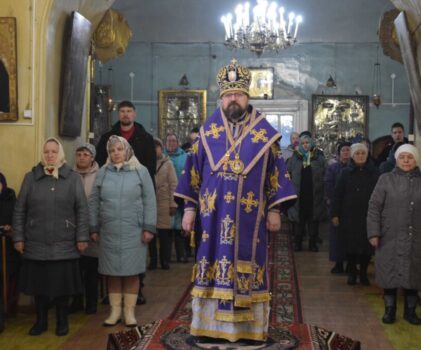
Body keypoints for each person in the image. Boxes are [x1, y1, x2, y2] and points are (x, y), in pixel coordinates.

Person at [174, 59, 296, 343]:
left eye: (238, 94)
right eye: (228, 94)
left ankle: (249, 331)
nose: (233, 99)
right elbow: (192, 175)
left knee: (249, 267)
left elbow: (276, 176)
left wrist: (275, 209)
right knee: (212, 266)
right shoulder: (205, 136)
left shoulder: (266, 136)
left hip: (250, 220)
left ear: (247, 97)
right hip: (212, 220)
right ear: (221, 98)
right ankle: (208, 327)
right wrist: (189, 209)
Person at [12, 137, 89, 336]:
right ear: (42, 154)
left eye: (54, 151)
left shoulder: (72, 178)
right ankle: (41, 321)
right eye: (47, 152)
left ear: (60, 153)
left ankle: (62, 321)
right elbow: (20, 210)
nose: (50, 155)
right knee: (40, 288)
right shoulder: (31, 177)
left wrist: (82, 238)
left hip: (64, 243)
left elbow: (82, 210)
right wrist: (18, 238)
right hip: (35, 243)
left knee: (62, 288)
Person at [89, 135, 156, 327]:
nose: (115, 153)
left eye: (119, 149)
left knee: (131, 272)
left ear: (126, 150)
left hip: (133, 231)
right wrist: (94, 226)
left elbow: (150, 200)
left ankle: (129, 312)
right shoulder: (102, 172)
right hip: (108, 230)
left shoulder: (140, 171)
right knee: (112, 272)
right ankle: (114, 311)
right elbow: (94, 201)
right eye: (112, 151)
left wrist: (148, 227)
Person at [95, 100, 156, 305]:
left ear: (134, 114)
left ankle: (137, 290)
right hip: (112, 200)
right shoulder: (106, 137)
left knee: (135, 252)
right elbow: (101, 165)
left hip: (135, 198)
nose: (126, 114)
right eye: (122, 111)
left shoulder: (145, 139)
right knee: (111, 254)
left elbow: (150, 169)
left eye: (129, 111)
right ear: (118, 113)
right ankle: (111, 295)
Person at [367, 144, 421, 325]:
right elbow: (374, 207)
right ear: (396, 160)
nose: (406, 160)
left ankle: (410, 311)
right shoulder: (385, 179)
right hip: (389, 236)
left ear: (416, 160)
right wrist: (374, 233)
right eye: (402, 157)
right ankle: (390, 310)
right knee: (389, 275)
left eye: (410, 157)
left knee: (413, 275)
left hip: (416, 238)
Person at [331, 143, 379, 286]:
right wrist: (335, 214)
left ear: (367, 155)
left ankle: (363, 274)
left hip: (368, 215)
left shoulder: (374, 172)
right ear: (352, 156)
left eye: (362, 153)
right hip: (349, 215)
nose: (360, 156)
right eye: (357, 153)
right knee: (350, 246)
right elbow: (337, 194)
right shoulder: (345, 172)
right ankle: (352, 273)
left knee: (366, 247)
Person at [70, 143, 100, 314]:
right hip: (73, 228)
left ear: (92, 158)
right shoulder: (69, 175)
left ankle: (91, 302)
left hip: (92, 227)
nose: (82, 157)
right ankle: (76, 301)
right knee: (75, 268)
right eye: (79, 154)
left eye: (86, 154)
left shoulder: (100, 175)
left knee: (90, 268)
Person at [287, 133, 326, 252]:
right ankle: (297, 243)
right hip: (299, 194)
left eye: (307, 143)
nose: (305, 145)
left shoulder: (319, 157)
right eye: (302, 143)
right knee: (299, 220)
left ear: (311, 144)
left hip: (314, 194)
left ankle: (312, 244)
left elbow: (326, 173)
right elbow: (288, 173)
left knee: (313, 221)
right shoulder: (295, 157)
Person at [149, 138, 177, 270]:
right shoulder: (147, 163)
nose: (155, 150)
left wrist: (173, 204)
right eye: (152, 147)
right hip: (150, 203)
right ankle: (153, 261)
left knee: (164, 235)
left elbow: (173, 184)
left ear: (161, 148)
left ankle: (165, 261)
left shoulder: (168, 164)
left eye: (157, 147)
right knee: (151, 234)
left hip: (164, 202)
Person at [324, 142, 351, 273]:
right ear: (339, 153)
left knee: (351, 237)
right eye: (343, 151)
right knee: (337, 237)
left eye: (348, 150)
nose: (346, 153)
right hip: (337, 206)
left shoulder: (354, 167)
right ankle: (338, 263)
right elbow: (328, 184)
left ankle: (351, 264)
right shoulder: (333, 168)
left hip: (351, 207)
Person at [164, 133, 188, 263]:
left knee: (180, 226)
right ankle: (166, 257)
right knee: (167, 226)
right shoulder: (162, 157)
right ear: (165, 143)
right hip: (165, 196)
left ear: (177, 143)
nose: (171, 143)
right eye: (169, 141)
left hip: (180, 194)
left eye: (173, 141)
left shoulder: (184, 157)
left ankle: (181, 254)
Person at [0, 172, 17, 333]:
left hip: (7, 247)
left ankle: (7, 309)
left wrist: (9, 227)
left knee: (8, 276)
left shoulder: (10, 197)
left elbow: (16, 218)